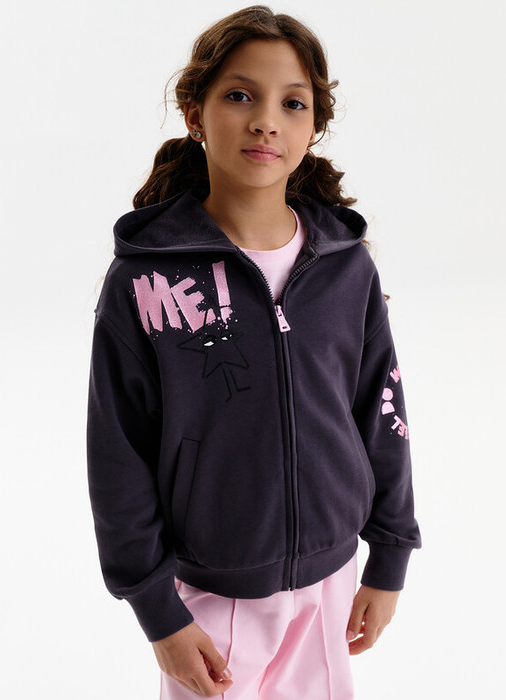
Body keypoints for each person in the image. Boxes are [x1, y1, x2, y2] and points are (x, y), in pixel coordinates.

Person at [86, 5, 421, 698]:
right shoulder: (147, 280)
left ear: (313, 126)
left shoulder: (345, 264)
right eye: (240, 95)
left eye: (292, 103)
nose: (266, 120)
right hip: (210, 597)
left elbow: (382, 409)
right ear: (195, 114)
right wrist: (156, 611)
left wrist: (389, 554)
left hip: (331, 583)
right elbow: (117, 451)